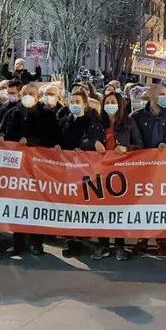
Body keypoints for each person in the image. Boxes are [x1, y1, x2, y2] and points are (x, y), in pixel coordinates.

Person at [0, 82, 60, 256]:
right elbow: (4, 132)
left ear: (38, 96)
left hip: (39, 167)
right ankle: (18, 242)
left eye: (31, 93)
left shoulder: (47, 115)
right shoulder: (12, 113)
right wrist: (0, 137)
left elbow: (53, 138)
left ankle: (36, 242)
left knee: (36, 203)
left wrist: (31, 141)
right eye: (25, 93)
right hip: (17, 167)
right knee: (17, 203)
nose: (28, 96)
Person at [91, 92, 143, 261]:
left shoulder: (128, 123)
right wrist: (94, 142)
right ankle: (103, 244)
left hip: (122, 173)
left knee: (119, 209)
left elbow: (140, 145)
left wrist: (127, 149)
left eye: (113, 102)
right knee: (101, 209)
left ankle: (120, 245)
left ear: (120, 105)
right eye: (107, 102)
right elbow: (85, 140)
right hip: (99, 172)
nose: (110, 105)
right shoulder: (98, 123)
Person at [133, 84, 166, 255]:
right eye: (161, 94)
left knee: (162, 203)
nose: (164, 97)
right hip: (144, 166)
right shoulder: (137, 117)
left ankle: (162, 239)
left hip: (165, 167)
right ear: (152, 96)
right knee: (143, 203)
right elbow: (134, 138)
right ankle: (143, 238)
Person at [57, 91, 105, 258]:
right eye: (72, 101)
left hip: (86, 172)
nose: (74, 104)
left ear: (85, 104)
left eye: (77, 101)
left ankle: (84, 240)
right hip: (67, 171)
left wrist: (83, 147)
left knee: (84, 206)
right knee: (69, 207)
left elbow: (96, 141)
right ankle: (71, 242)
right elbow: (59, 139)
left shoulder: (93, 123)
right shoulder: (64, 122)